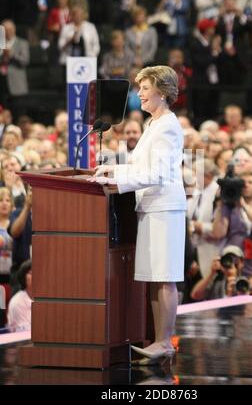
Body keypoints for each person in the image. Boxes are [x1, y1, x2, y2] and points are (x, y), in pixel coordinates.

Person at [88, 65, 186, 364]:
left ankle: (164, 342)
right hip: (152, 206)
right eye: (139, 87)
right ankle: (159, 340)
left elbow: (157, 173)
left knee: (165, 277)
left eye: (144, 88)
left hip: (164, 207)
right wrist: (114, 169)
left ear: (162, 91)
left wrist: (117, 180)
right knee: (156, 277)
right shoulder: (154, 124)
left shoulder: (168, 124)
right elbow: (143, 167)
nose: (139, 93)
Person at [7, 259, 32, 332]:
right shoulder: (17, 302)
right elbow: (25, 335)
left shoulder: (45, 297)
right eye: (31, 273)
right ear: (23, 277)